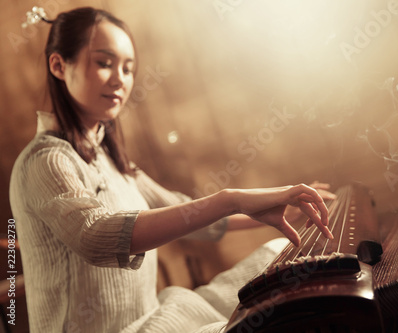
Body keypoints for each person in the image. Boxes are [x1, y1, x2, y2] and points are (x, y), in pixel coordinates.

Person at [9, 6, 335, 333]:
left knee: (279, 259)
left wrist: (261, 211)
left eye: (129, 68)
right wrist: (231, 198)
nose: (120, 79)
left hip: (151, 321)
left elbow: (187, 216)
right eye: (104, 63)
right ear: (58, 65)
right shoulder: (45, 159)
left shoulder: (111, 160)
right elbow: (95, 236)